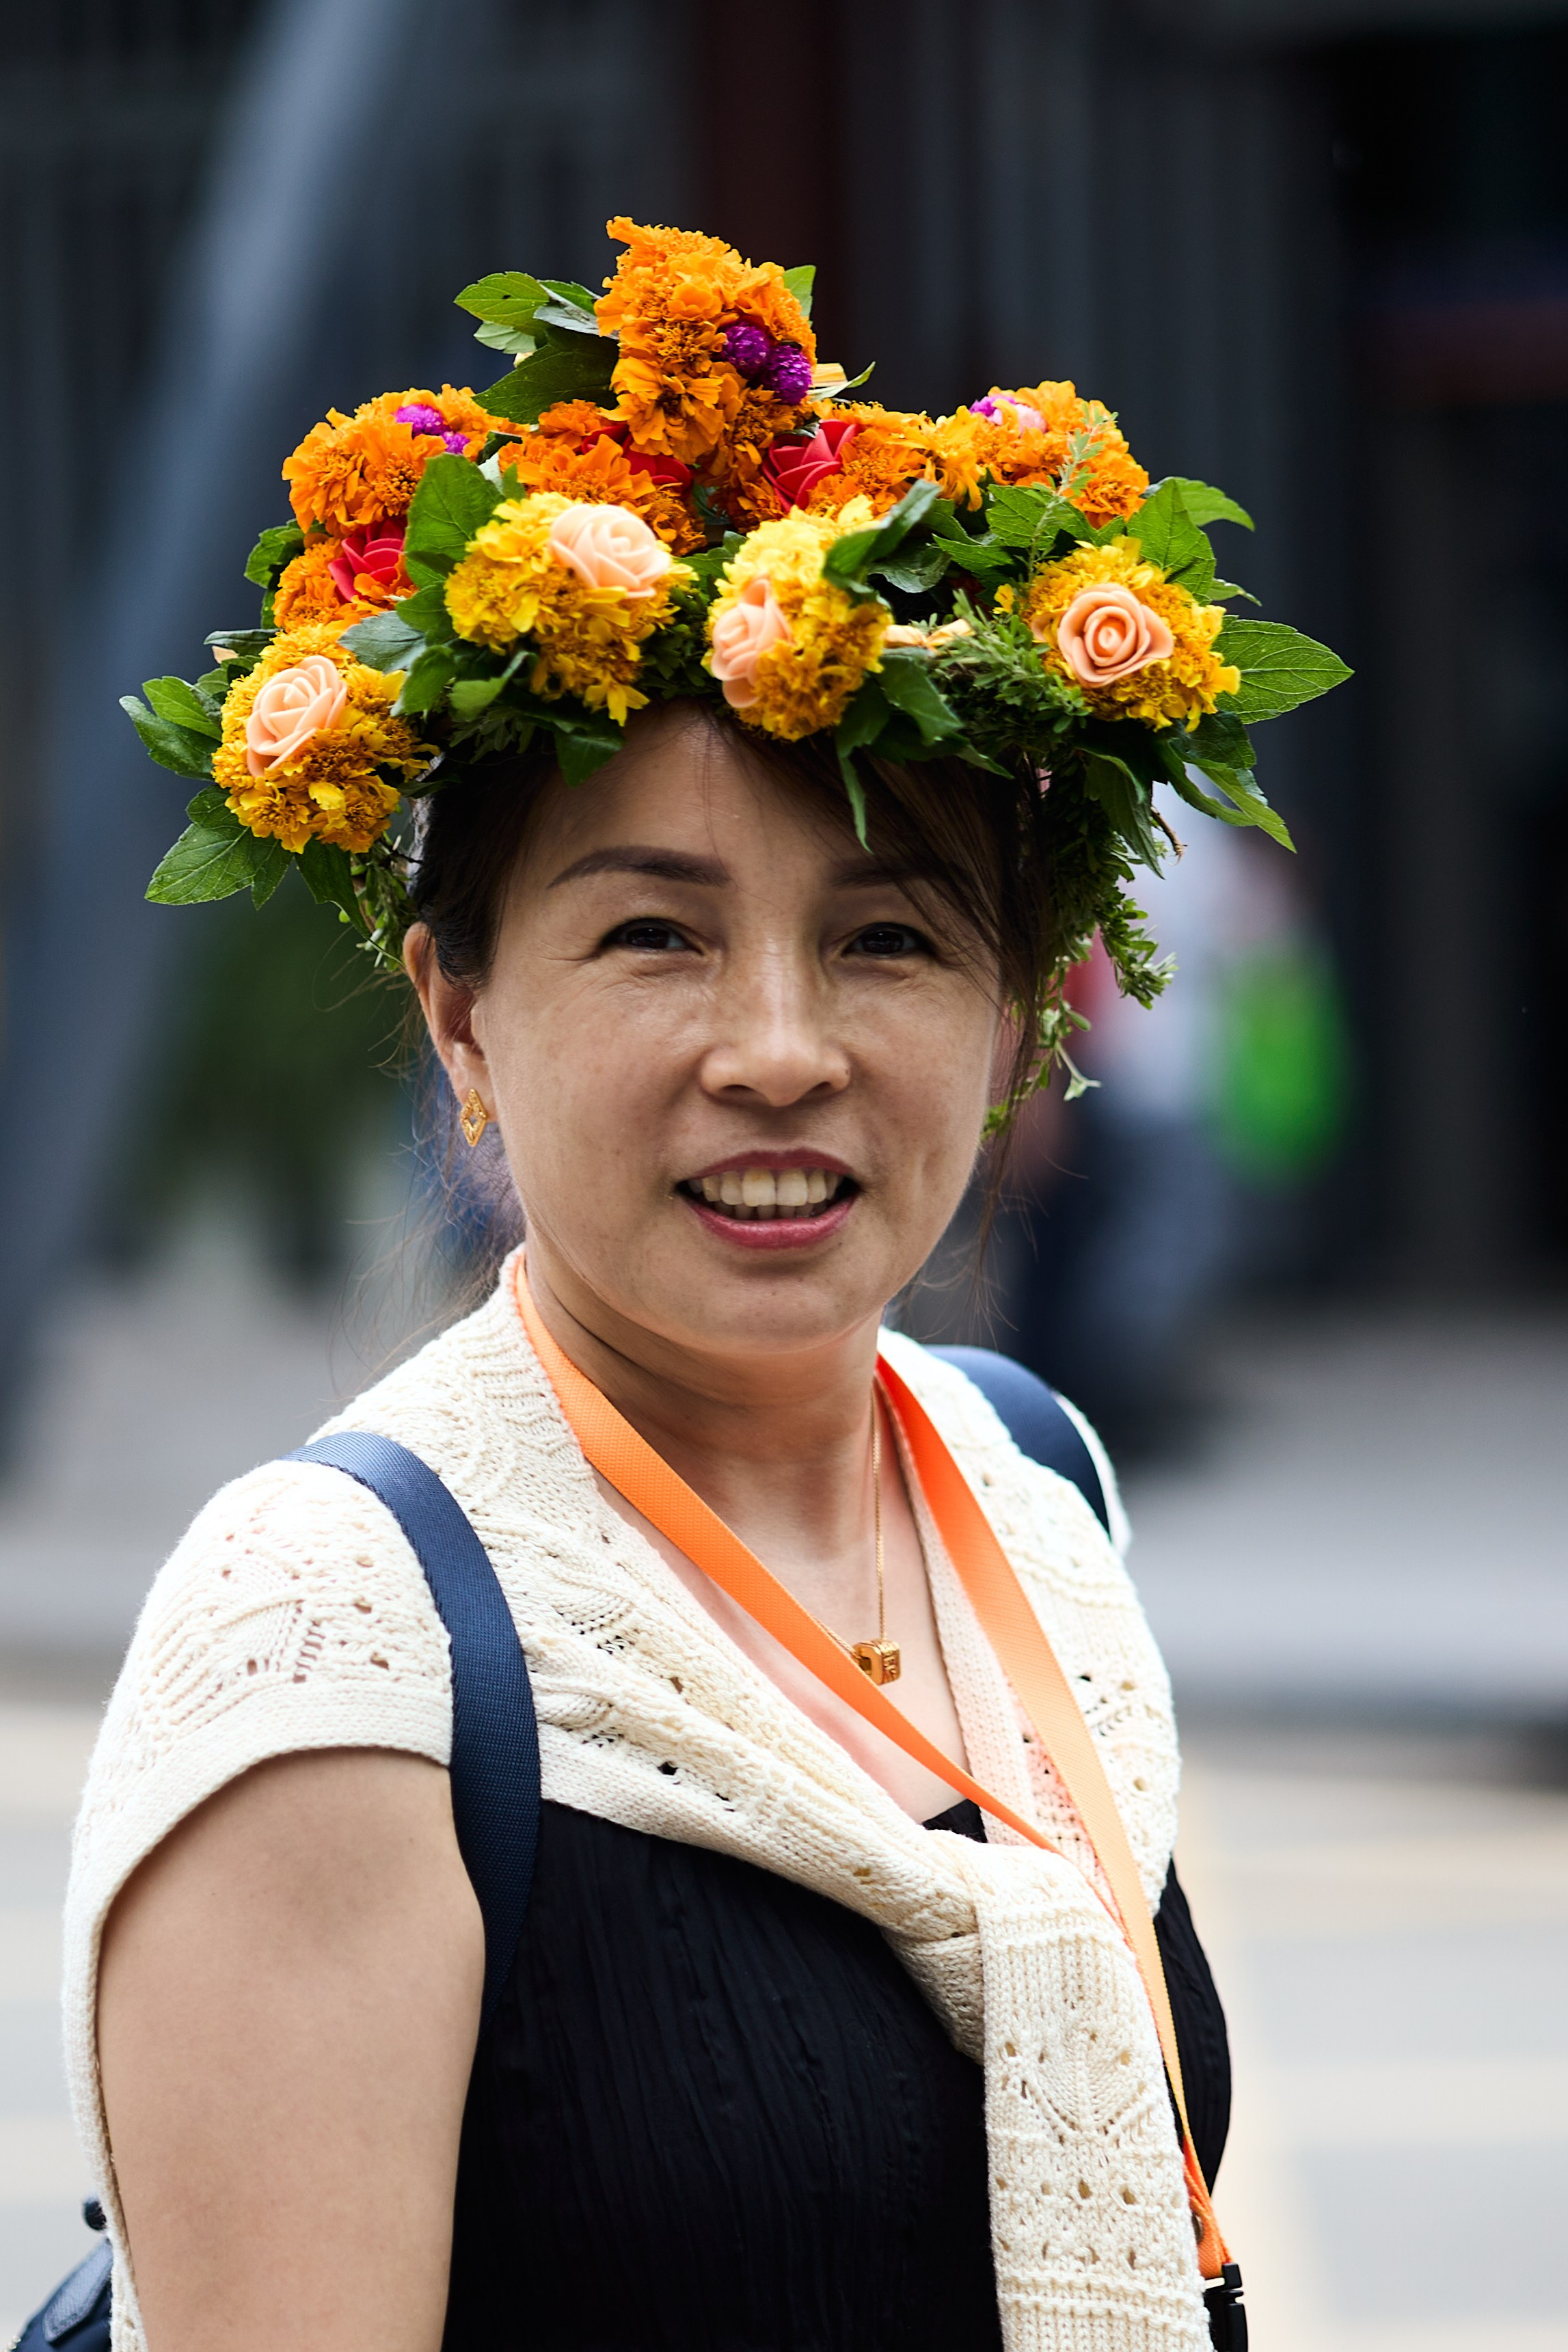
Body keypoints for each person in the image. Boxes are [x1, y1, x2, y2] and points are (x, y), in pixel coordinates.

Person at [66, 215, 1347, 2351]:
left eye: (890, 939)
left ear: (1027, 1016)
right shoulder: (340, 1644)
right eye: (655, 936)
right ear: (464, 1023)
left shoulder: (1028, 1484)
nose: (781, 1043)